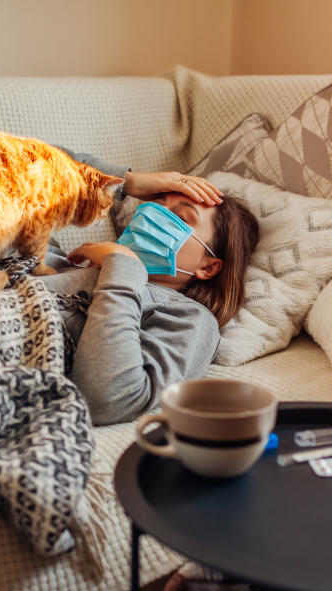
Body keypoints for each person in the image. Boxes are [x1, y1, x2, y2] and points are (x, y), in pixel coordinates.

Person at [41, 150, 260, 424]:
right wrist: (127, 183)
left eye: (181, 217)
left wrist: (122, 268)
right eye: (157, 202)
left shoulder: (188, 317)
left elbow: (109, 400)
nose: (152, 214)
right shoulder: (50, 256)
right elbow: (14, 165)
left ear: (208, 267)